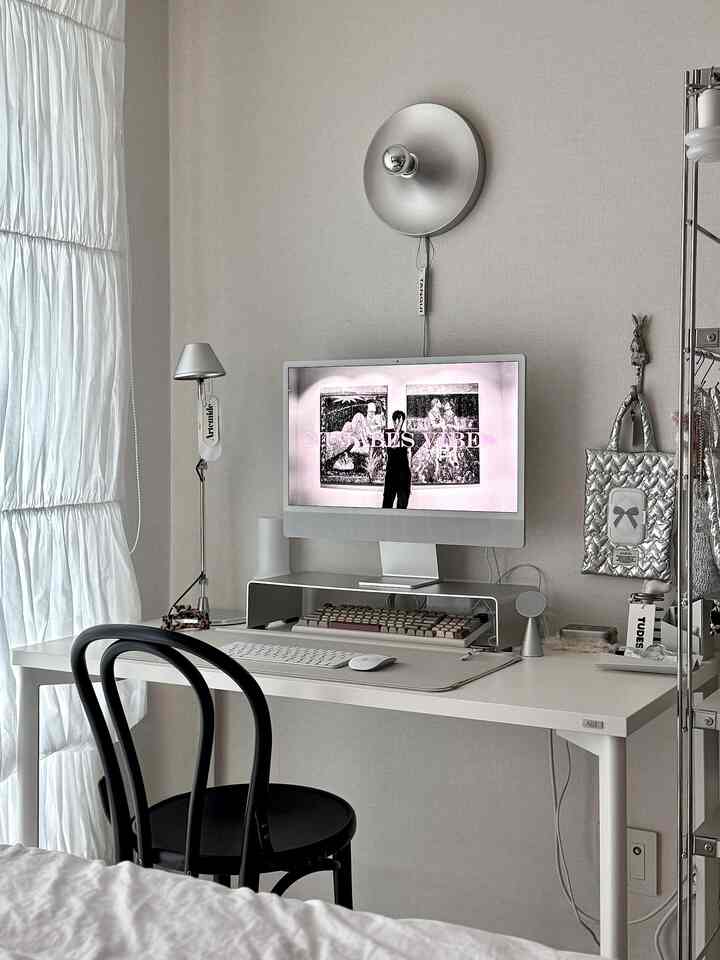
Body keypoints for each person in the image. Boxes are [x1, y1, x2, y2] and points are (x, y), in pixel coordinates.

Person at [382, 410, 414, 508]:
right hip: (391, 473)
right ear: (393, 421)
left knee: (402, 505)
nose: (398, 424)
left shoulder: (407, 435)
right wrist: (398, 429)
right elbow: (393, 445)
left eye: (400, 421)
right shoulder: (387, 433)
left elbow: (409, 454)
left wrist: (409, 480)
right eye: (396, 421)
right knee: (387, 504)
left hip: (404, 474)